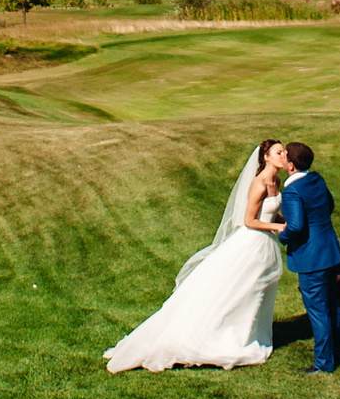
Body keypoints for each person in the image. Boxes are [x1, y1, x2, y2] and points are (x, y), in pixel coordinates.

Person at [104, 140, 289, 372]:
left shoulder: (276, 181)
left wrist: (286, 222)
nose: (283, 155)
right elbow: (249, 220)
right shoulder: (259, 183)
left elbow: (269, 213)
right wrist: (277, 228)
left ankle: (248, 335)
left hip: (265, 245)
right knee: (241, 289)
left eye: (283, 152)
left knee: (254, 291)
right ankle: (224, 337)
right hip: (252, 243)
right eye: (278, 152)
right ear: (266, 157)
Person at [276, 141, 340, 373]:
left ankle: (323, 362)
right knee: (331, 305)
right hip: (330, 251)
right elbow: (330, 205)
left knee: (318, 311)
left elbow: (295, 225)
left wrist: (282, 236)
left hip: (312, 258)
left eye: (284, 155)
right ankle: (337, 351)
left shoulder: (292, 191)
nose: (282, 157)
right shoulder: (317, 179)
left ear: (291, 165)